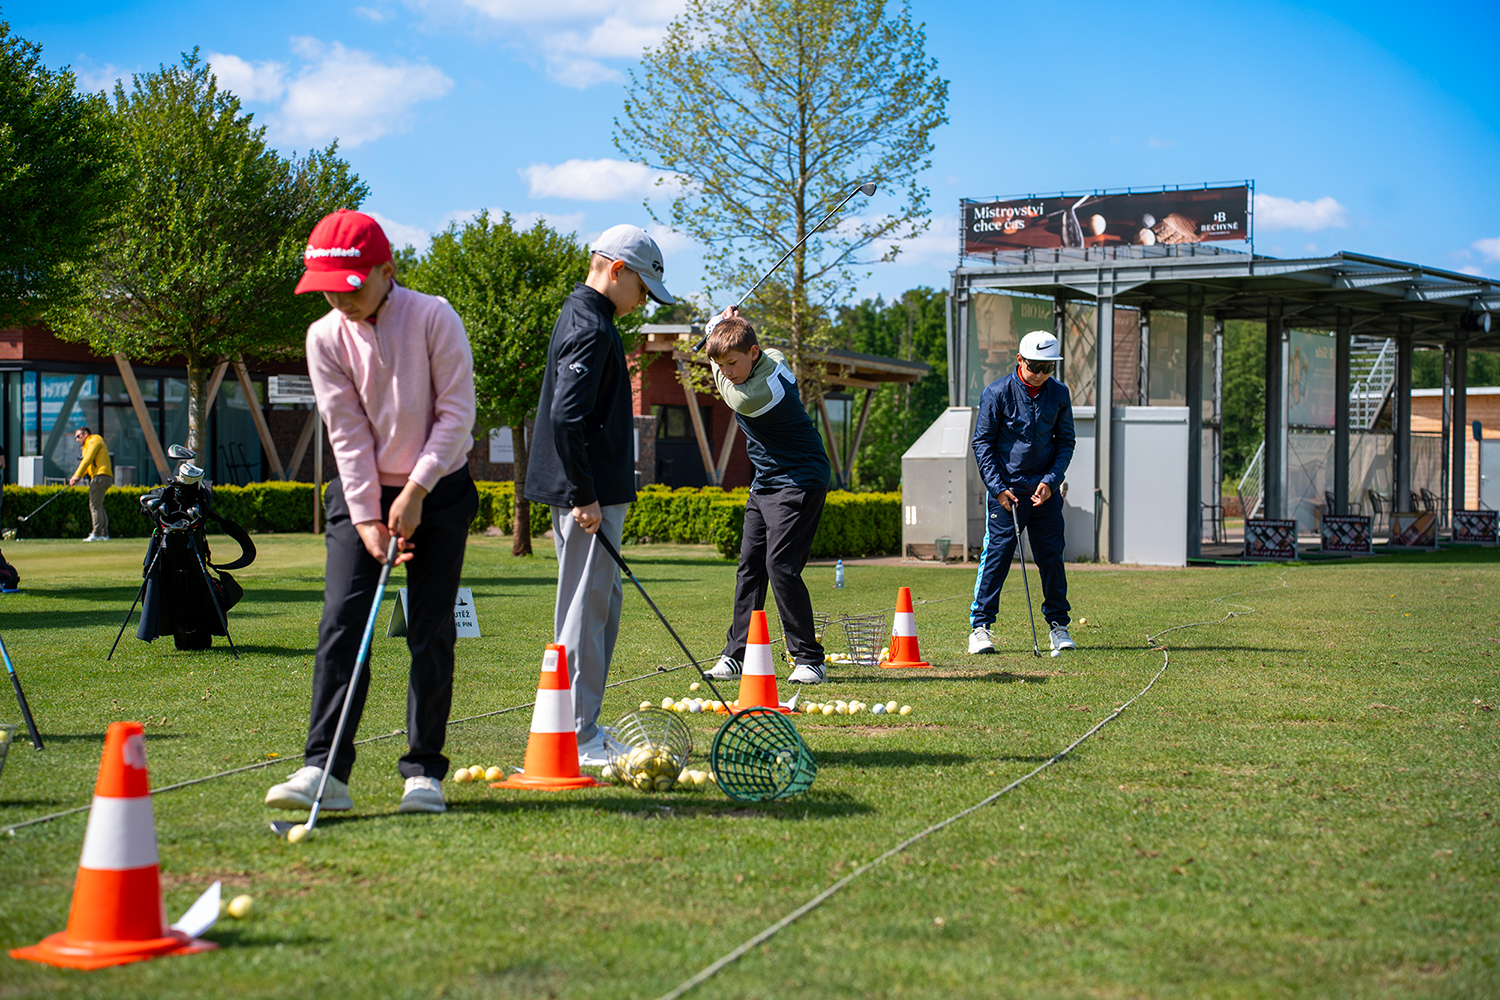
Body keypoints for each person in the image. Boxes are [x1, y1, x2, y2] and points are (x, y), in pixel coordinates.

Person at [265, 209, 478, 816]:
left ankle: (423, 772)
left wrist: (414, 491)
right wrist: (366, 517)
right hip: (359, 494)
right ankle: (324, 770)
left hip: (441, 487)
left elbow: (456, 415)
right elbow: (348, 434)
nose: (339, 299)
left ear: (388, 271)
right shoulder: (324, 336)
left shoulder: (433, 317)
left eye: (351, 286)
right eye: (327, 288)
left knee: (431, 628)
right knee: (342, 625)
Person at [525, 224, 673, 766]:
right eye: (643, 291)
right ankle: (577, 733)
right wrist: (584, 494)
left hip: (593, 494)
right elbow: (567, 417)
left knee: (599, 606)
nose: (643, 304)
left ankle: (581, 724)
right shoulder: (590, 325)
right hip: (587, 499)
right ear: (617, 271)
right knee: (584, 610)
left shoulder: (591, 317)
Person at [701, 309, 831, 684]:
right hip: (765, 482)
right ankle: (735, 655)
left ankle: (809, 658)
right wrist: (720, 328)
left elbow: (731, 395)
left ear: (754, 353)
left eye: (732, 362)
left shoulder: (758, 392)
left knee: (781, 566)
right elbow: (729, 357)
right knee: (750, 567)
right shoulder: (770, 355)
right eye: (720, 363)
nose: (726, 371)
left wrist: (713, 329)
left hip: (801, 479)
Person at [968, 330, 1078, 656]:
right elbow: (982, 443)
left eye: (1048, 368)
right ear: (1020, 360)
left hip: (1044, 493)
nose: (1041, 374)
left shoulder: (1059, 394)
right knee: (997, 558)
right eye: (1035, 367)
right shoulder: (996, 392)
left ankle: (1059, 627)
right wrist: (997, 487)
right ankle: (981, 628)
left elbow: (1065, 442)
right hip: (1007, 494)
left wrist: (1051, 480)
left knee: (1052, 559)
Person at [69, 426, 113, 541]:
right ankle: (104, 534)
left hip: (100, 476)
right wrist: (77, 478)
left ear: (86, 434)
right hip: (103, 476)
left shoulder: (94, 440)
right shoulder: (86, 446)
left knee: (94, 505)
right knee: (99, 504)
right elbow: (87, 465)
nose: (77, 439)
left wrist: (76, 475)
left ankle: (97, 534)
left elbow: (88, 459)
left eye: (78, 436)